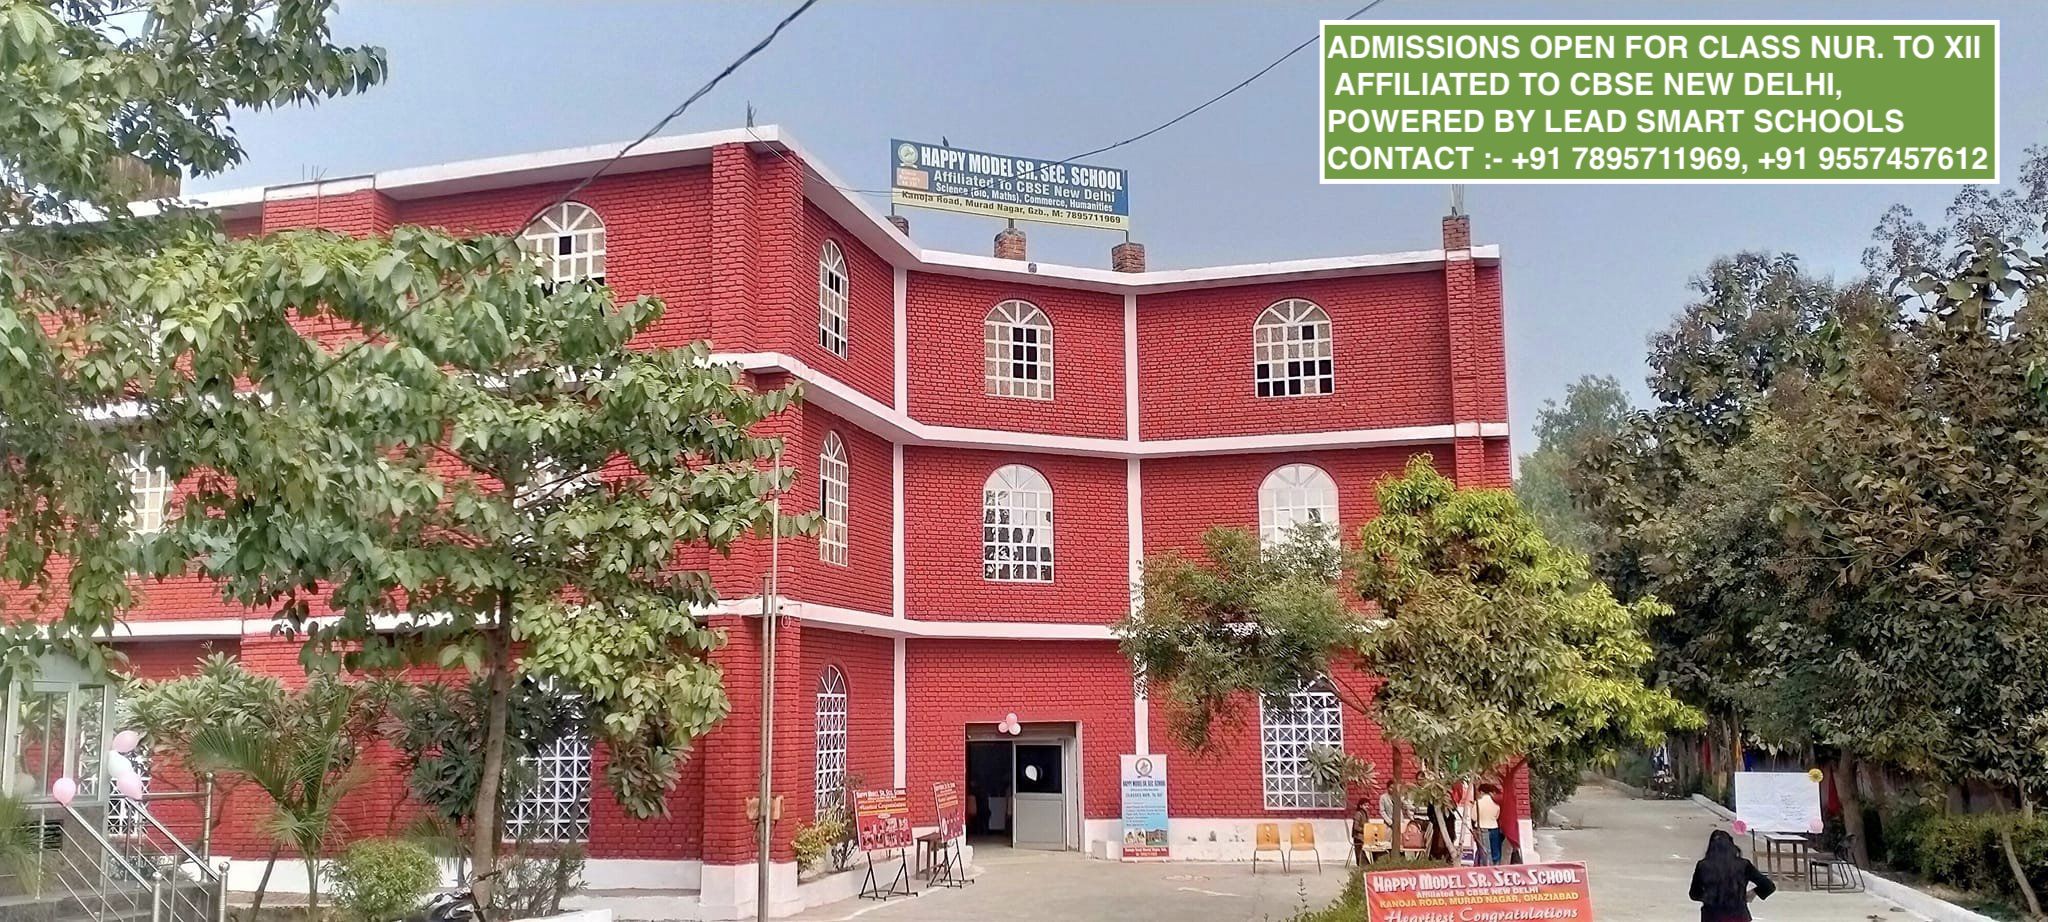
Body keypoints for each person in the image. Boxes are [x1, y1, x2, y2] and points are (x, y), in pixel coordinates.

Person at [1689, 829, 1776, 922]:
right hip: (1738, 915)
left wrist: (1711, 896)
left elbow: (1694, 894)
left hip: (1712, 916)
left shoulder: (1703, 865)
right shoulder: (1743, 865)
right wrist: (1754, 892)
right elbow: (1769, 886)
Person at [1476, 783, 1504, 865]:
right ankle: (1496, 866)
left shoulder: (1478, 803)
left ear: (1481, 792)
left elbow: (1474, 817)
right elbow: (1497, 816)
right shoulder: (1495, 803)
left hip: (1482, 827)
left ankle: (1486, 867)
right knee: (1495, 850)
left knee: (1485, 851)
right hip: (1494, 827)